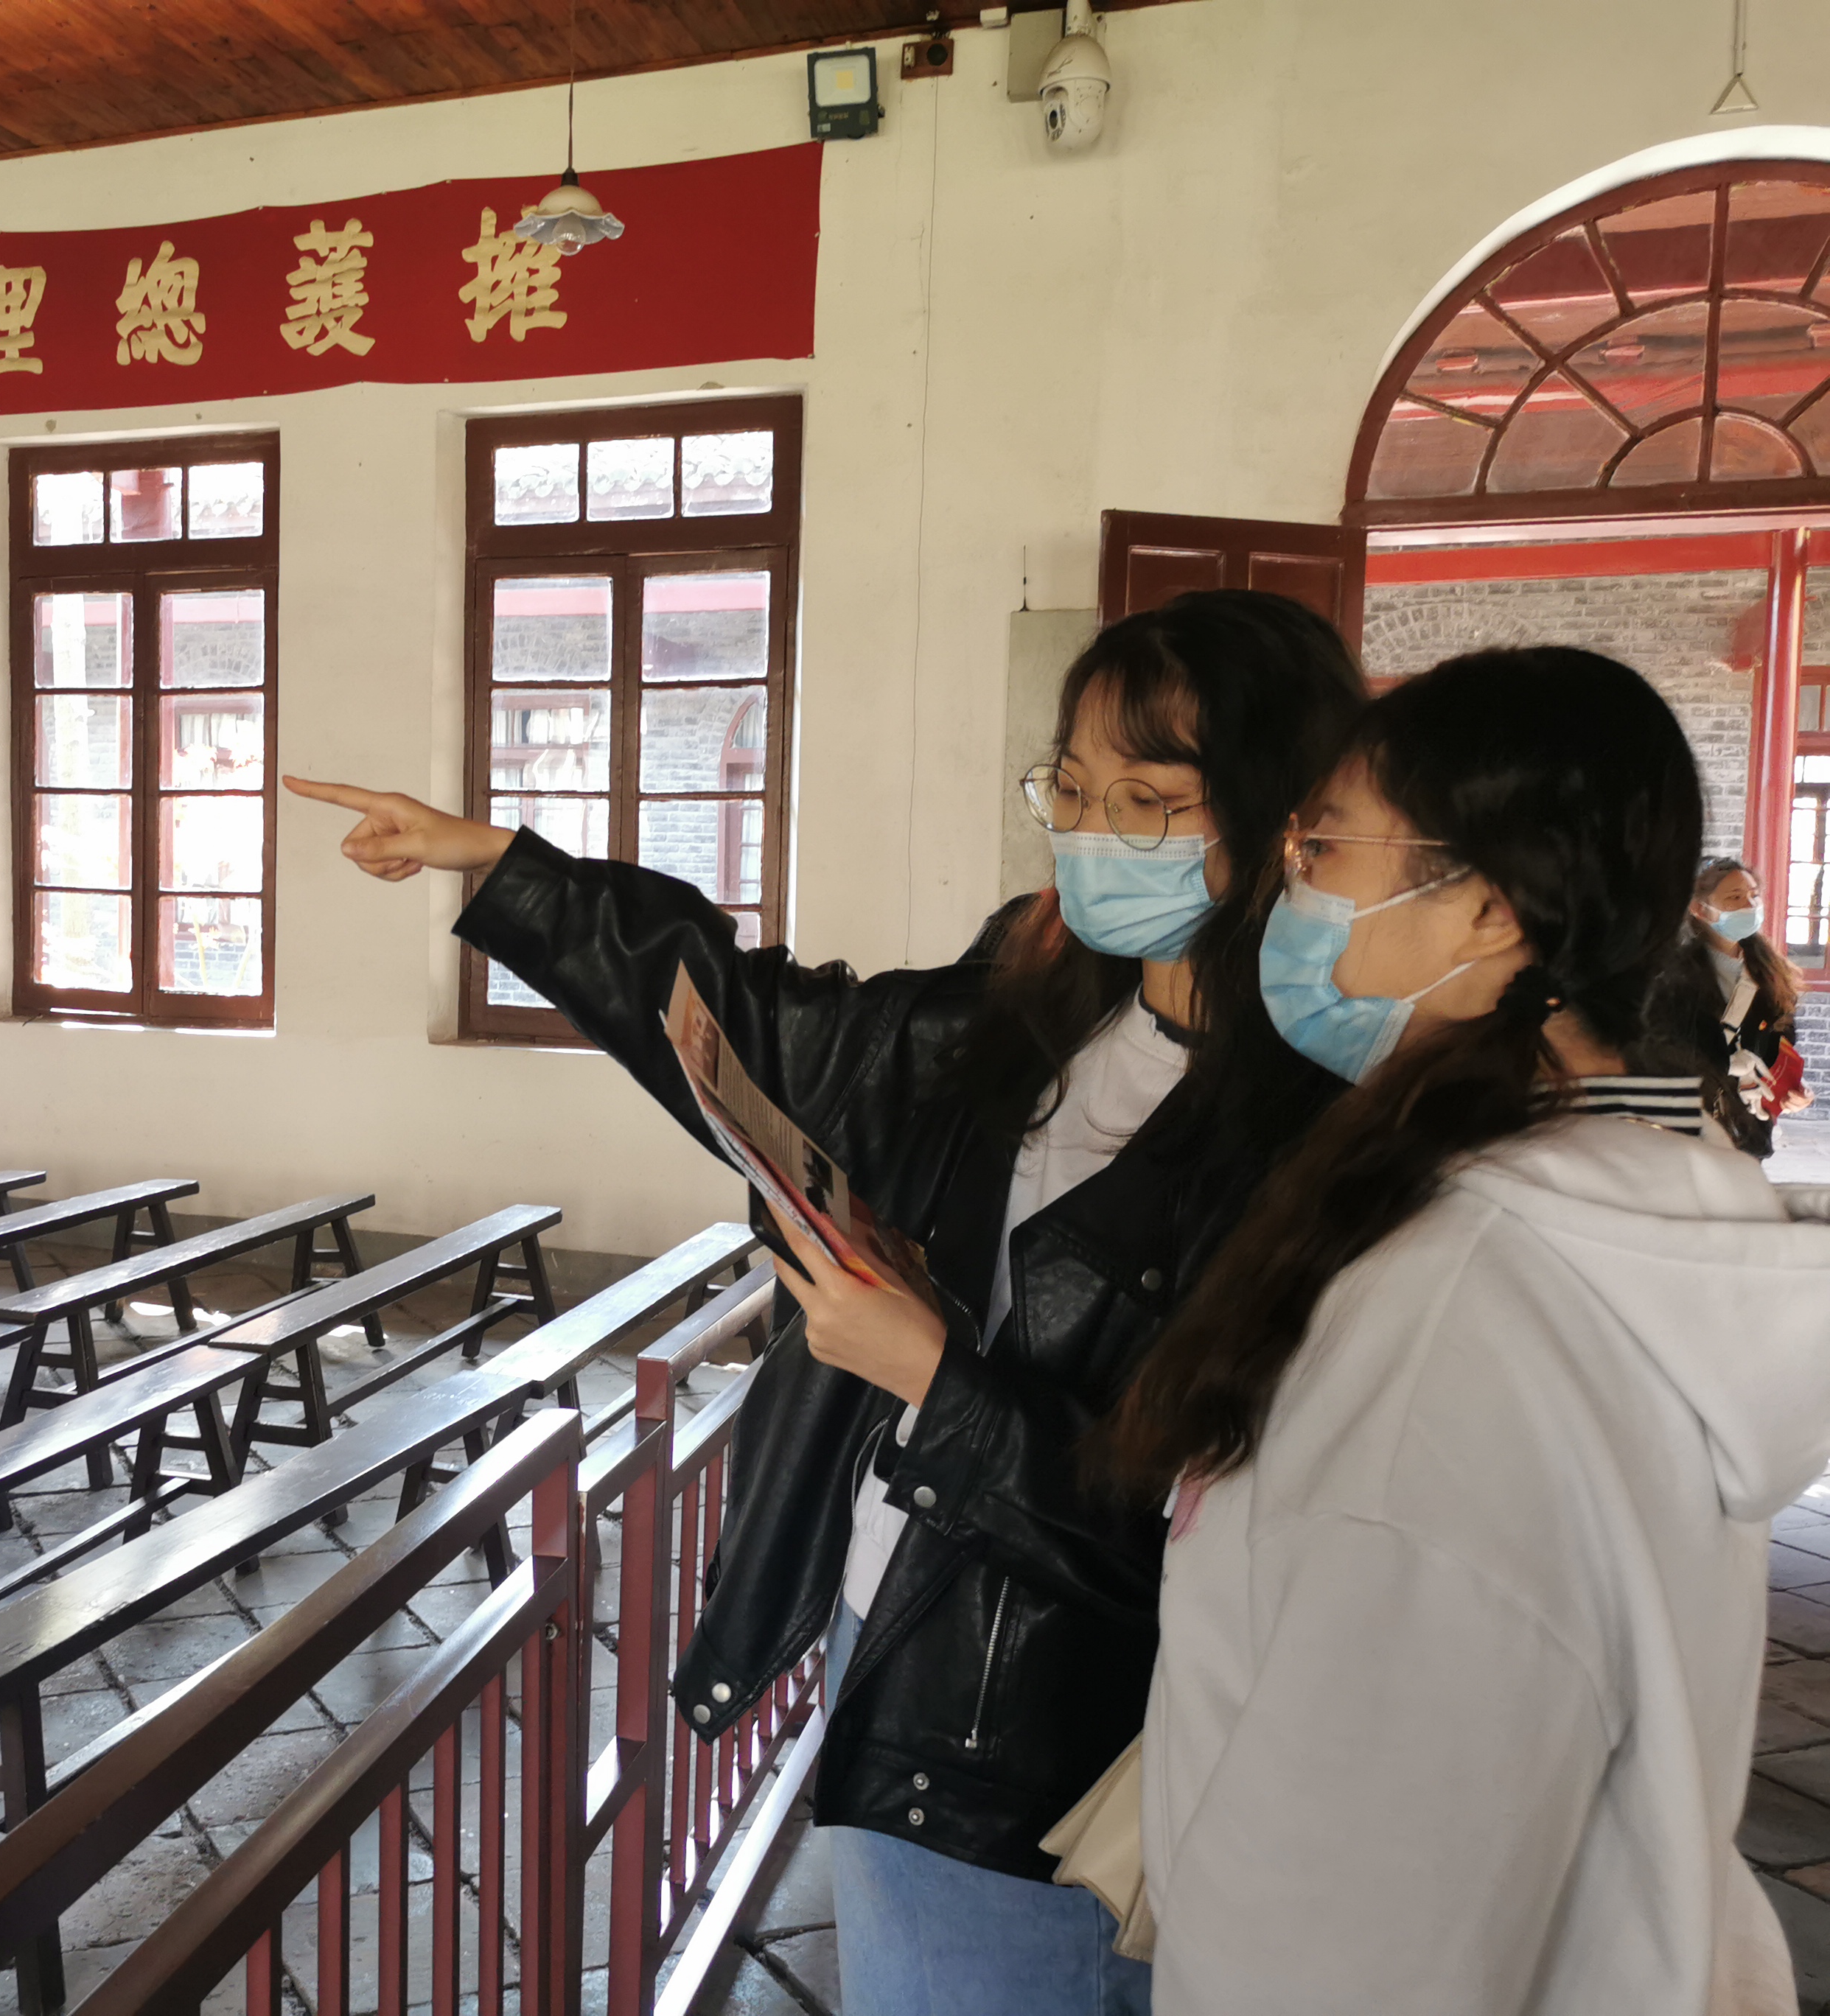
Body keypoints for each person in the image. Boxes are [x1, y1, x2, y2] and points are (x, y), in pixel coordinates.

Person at [288, 589, 1366, 2016]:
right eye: (1073, 789)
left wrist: (935, 1379)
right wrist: (502, 870)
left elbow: (1223, 1547)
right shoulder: (1037, 1003)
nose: (1094, 833)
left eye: (1147, 802)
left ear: (1282, 817)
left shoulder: (1319, 1137)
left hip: (1033, 1739)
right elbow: (764, 1027)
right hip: (888, 1635)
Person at [1096, 648, 1830, 2015]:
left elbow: (1343, 1933)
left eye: (1325, 847)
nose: (1293, 889)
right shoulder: (1634, 1205)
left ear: (1487, 909)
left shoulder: (1458, 1318)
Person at [1675, 858, 1809, 1156]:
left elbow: (1781, 1043)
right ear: (1699, 909)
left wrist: (1793, 1091)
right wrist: (1724, 1063)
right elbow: (1663, 1047)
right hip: (1693, 1127)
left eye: (1754, 895)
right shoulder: (1674, 974)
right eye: (1735, 898)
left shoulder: (1770, 972)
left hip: (1749, 1129)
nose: (1750, 906)